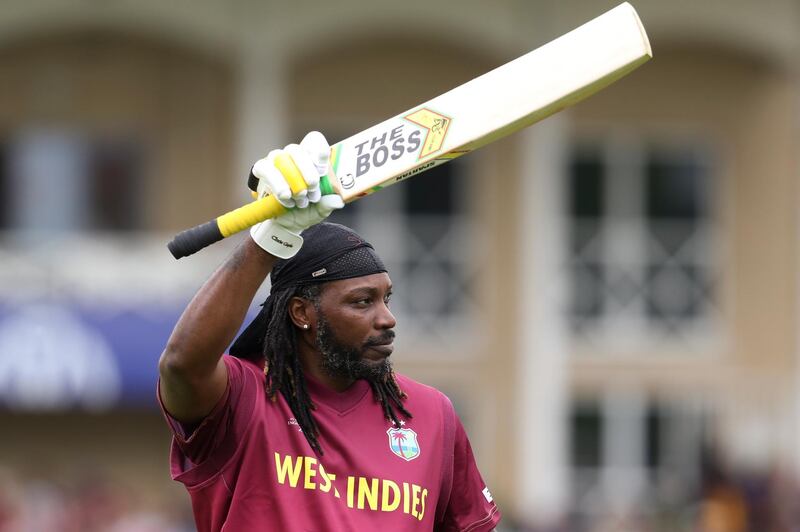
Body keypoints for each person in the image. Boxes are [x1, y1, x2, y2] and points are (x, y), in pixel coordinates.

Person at [157, 132, 501, 531]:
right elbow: (182, 365)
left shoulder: (432, 413)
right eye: (362, 302)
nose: (387, 318)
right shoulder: (245, 398)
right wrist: (269, 240)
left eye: (386, 299)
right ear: (302, 313)